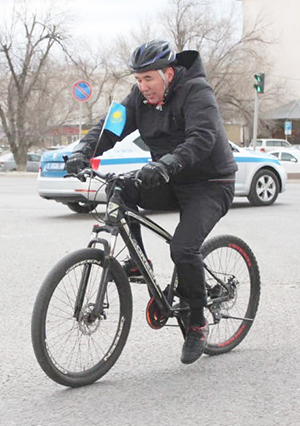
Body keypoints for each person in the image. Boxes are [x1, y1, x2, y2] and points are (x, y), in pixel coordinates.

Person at [65, 40, 237, 365]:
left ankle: (197, 323)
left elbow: (202, 139)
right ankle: (138, 260)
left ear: (168, 74)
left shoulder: (197, 92)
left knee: (184, 249)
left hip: (210, 183)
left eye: (149, 79)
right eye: (138, 80)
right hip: (171, 176)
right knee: (121, 188)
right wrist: (80, 153)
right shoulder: (138, 99)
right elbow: (108, 127)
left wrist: (164, 165)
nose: (143, 87)